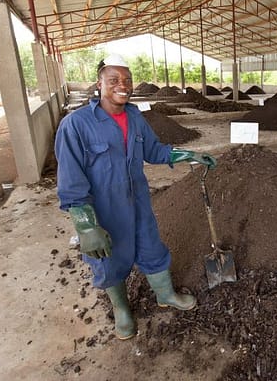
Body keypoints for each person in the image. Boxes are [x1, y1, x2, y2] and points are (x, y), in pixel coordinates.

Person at [55, 54, 216, 340]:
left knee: (151, 248)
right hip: (103, 208)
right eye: (114, 80)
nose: (123, 85)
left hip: (138, 201)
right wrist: (86, 225)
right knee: (107, 260)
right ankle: (122, 311)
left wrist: (188, 154)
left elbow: (154, 151)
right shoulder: (76, 125)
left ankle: (165, 294)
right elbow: (71, 179)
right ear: (100, 83)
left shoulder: (134, 117)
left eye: (127, 80)